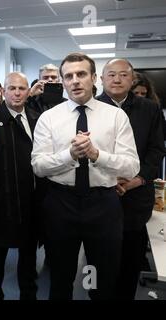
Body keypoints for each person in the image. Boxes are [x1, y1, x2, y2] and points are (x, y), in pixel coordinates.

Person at [31, 53, 140, 300]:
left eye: (81, 74)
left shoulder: (115, 116)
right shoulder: (49, 118)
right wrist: (69, 154)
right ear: (62, 81)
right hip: (61, 203)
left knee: (102, 281)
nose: (75, 81)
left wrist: (96, 154)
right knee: (60, 279)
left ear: (94, 79)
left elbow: (131, 167)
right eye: (68, 76)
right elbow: (38, 166)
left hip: (103, 204)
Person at [97, 58, 165, 300]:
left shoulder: (149, 109)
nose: (117, 79)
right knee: (99, 262)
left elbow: (157, 151)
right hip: (101, 197)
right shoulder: (89, 108)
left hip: (136, 199)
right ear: (101, 79)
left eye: (123, 75)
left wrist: (138, 179)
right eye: (111, 74)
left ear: (132, 78)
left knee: (130, 262)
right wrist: (107, 178)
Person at [0, 72, 40, 300]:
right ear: (3, 91)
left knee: (28, 258)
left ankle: (29, 295)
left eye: (21, 88)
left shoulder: (38, 119)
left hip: (31, 201)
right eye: (12, 88)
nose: (17, 93)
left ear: (28, 91)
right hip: (1, 203)